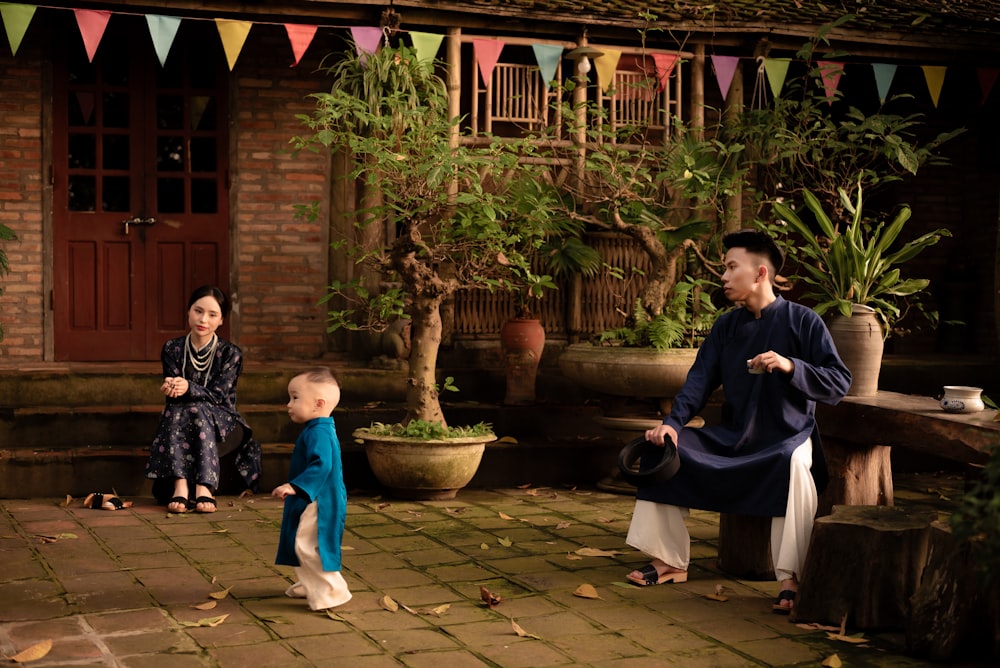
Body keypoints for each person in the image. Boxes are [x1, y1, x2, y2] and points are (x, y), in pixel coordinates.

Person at [624, 229, 851, 614]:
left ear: (760, 273)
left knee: (795, 466)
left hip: (787, 435)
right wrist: (673, 425)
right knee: (661, 447)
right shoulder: (727, 327)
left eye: (731, 267)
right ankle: (669, 562)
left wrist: (789, 364)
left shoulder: (804, 321)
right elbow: (698, 381)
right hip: (732, 437)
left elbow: (839, 382)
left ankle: (790, 578)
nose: (724, 276)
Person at [145, 285, 262, 513]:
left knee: (195, 408)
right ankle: (185, 486)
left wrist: (188, 386)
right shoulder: (172, 348)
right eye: (198, 311)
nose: (203, 320)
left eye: (212, 315)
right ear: (188, 311)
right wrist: (171, 387)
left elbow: (219, 395)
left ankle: (201, 486)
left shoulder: (230, 353)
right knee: (183, 409)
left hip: (224, 422)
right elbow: (175, 397)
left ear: (221, 321)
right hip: (181, 417)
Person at [272, 367, 352, 611]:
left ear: (318, 403)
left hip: (319, 499)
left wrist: (295, 486)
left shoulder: (319, 432)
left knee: (305, 544)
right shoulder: (317, 428)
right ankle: (310, 583)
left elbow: (322, 464)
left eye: (295, 398)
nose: (289, 404)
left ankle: (331, 590)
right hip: (313, 495)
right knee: (300, 540)